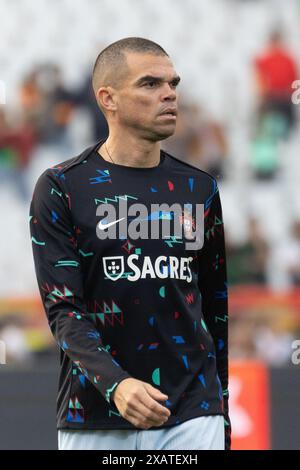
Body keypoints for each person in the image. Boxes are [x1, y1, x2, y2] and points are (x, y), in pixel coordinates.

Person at [29, 37, 231, 451]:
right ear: (108, 99)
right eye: (150, 84)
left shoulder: (199, 188)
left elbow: (216, 307)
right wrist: (116, 385)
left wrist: (221, 410)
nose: (169, 93)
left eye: (173, 83)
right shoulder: (62, 187)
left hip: (193, 414)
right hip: (95, 415)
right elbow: (64, 311)